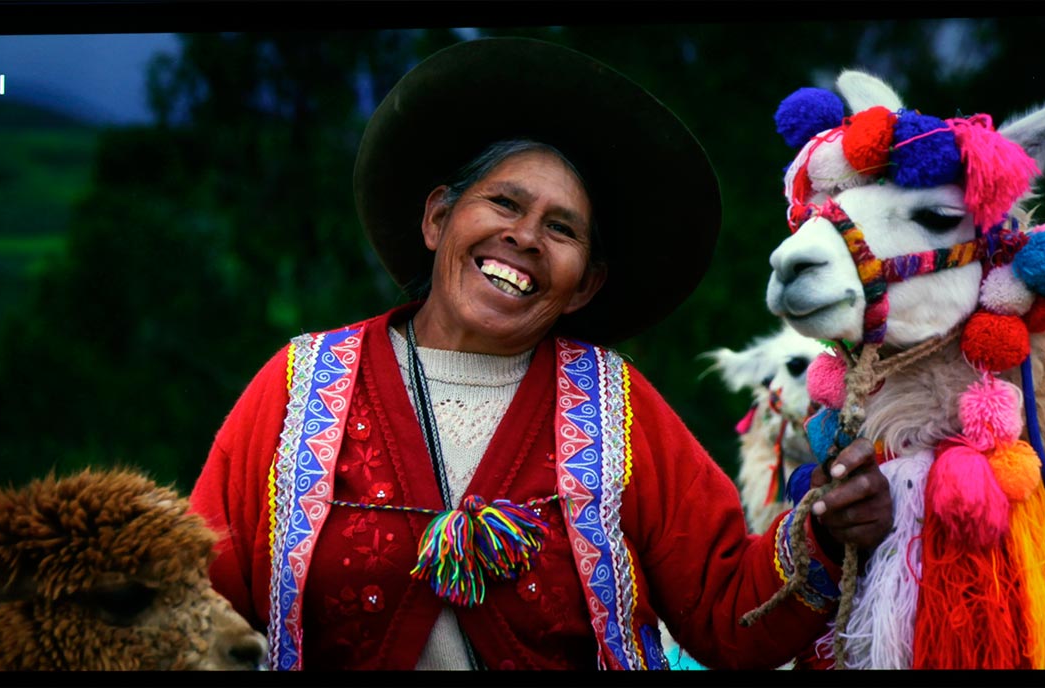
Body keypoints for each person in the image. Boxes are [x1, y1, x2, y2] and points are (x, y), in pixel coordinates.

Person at [188, 36, 892, 671]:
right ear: (438, 218)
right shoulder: (299, 387)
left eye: (562, 229)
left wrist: (828, 533)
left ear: (584, 285)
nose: (525, 237)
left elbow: (727, 613)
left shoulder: (617, 408)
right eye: (504, 203)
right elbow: (196, 604)